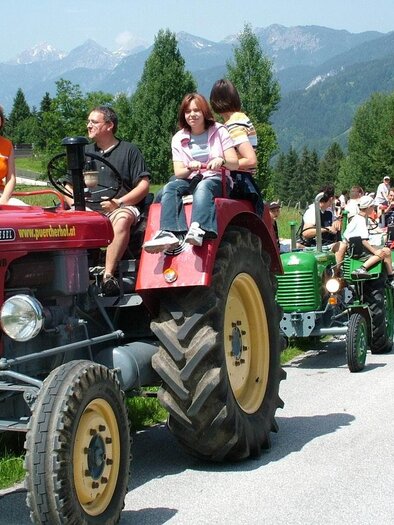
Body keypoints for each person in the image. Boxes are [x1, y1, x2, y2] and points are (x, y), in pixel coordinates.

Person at [64, 106, 150, 295]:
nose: (88, 126)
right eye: (88, 122)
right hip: (87, 209)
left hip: (120, 206)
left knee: (121, 218)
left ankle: (108, 276)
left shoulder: (129, 151)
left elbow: (144, 186)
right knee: (60, 222)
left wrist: (119, 202)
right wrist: (76, 204)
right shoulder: (83, 152)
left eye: (94, 122)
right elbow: (67, 185)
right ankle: (68, 278)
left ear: (109, 125)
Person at [143, 93, 239, 253]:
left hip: (216, 179)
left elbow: (234, 163)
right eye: (188, 111)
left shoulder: (219, 131)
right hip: (191, 179)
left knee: (204, 186)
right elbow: (179, 172)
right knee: (170, 188)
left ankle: (199, 227)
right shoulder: (178, 138)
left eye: (196, 110)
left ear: (204, 112)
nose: (192, 115)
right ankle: (170, 231)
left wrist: (221, 161)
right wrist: (189, 168)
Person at [209, 78, 263, 214]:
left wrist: (223, 164)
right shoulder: (240, 119)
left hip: (238, 180)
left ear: (215, 101)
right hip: (244, 179)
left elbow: (250, 160)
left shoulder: (234, 125)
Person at [343, 194, 394, 286]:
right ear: (369, 207)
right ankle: (362, 268)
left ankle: (390, 277)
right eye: (372, 207)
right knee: (382, 253)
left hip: (355, 247)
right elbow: (363, 241)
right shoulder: (361, 220)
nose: (373, 209)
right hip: (356, 250)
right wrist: (375, 251)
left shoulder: (358, 218)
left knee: (386, 250)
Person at [297, 185, 342, 253]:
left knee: (343, 244)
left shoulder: (329, 211)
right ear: (331, 199)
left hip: (327, 244)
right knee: (342, 246)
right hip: (313, 245)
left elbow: (334, 224)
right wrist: (326, 229)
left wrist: (337, 222)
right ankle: (338, 264)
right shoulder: (312, 210)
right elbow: (306, 233)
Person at [0, 105, 27, 206]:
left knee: (26, 211)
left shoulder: (7, 145)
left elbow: (11, 178)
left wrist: (3, 200)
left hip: (1, 195)